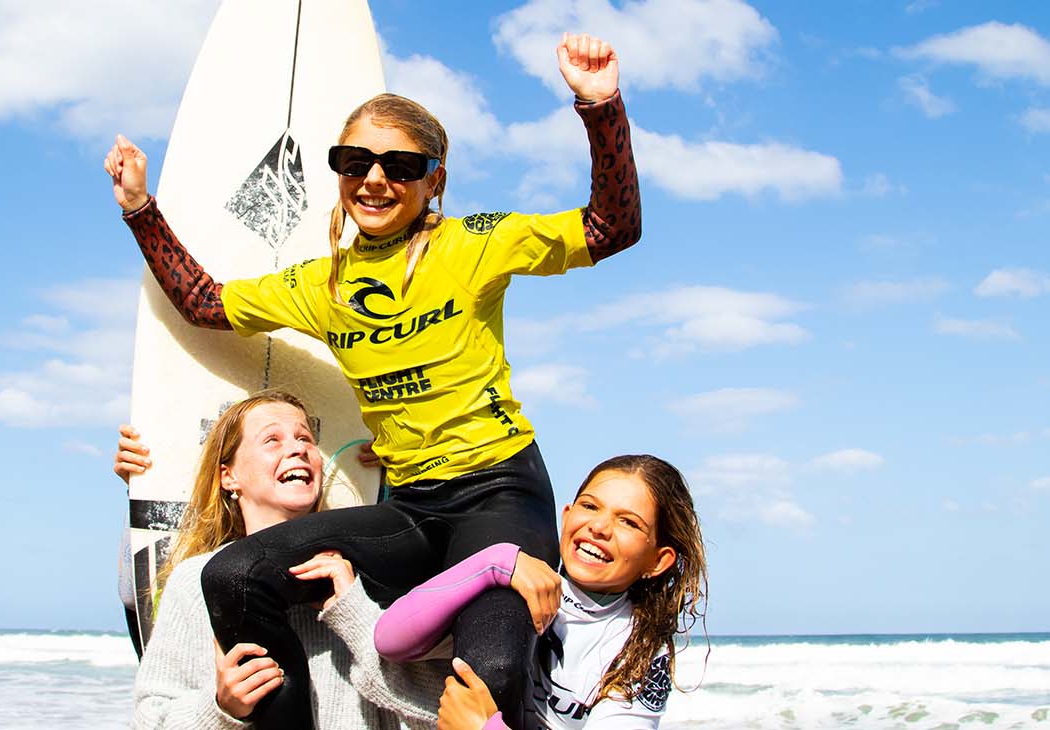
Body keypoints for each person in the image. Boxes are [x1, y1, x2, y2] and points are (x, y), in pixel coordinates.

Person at [105, 32, 642, 729]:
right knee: (232, 575)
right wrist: (140, 208)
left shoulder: (473, 243)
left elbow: (610, 227)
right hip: (411, 508)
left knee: (492, 672)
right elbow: (205, 302)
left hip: (498, 495)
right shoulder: (322, 285)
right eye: (354, 160)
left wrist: (599, 108)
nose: (375, 178)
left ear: (434, 179)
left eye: (401, 164)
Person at [117, 391, 443, 729]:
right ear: (229, 476)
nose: (298, 448)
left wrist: (354, 615)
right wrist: (221, 708)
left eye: (305, 438)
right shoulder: (193, 581)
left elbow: (440, 714)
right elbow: (149, 722)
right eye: (272, 440)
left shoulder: (360, 577)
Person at [374, 455, 708, 729]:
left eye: (628, 523)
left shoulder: (641, 650)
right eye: (590, 507)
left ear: (658, 560)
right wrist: (495, 563)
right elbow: (390, 641)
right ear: (567, 516)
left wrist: (482, 728)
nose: (599, 527)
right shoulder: (516, 578)